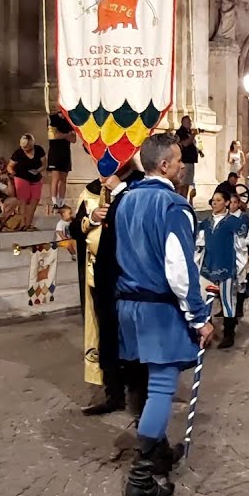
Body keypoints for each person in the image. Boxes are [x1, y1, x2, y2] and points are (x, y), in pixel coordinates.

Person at [112, 133, 214, 496]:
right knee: (160, 387)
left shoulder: (124, 200)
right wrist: (199, 317)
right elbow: (178, 268)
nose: (183, 165)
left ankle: (157, 452)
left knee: (141, 380)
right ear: (165, 165)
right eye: (178, 160)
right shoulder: (172, 205)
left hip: (128, 305)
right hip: (158, 307)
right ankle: (141, 476)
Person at [70, 163, 149, 418]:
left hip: (128, 277)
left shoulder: (138, 186)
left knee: (132, 337)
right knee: (106, 335)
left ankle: (141, 398)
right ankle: (113, 393)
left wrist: (120, 192)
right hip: (99, 278)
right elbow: (74, 229)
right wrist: (91, 219)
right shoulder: (91, 192)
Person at [196, 191, 249, 349]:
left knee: (227, 301)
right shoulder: (206, 223)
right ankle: (206, 332)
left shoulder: (233, 222)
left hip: (226, 266)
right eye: (213, 200)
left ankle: (228, 335)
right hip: (207, 267)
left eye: (218, 200)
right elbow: (200, 243)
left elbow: (240, 246)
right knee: (203, 299)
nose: (214, 203)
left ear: (226, 203)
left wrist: (240, 268)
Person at [7, 134, 46, 230]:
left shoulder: (39, 150)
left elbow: (44, 164)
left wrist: (38, 170)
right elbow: (10, 166)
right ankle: (22, 223)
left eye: (27, 147)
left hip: (35, 177)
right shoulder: (18, 153)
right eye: (23, 147)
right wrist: (12, 173)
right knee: (23, 200)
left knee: (34, 201)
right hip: (21, 177)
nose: (25, 149)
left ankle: (28, 224)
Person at [46, 110, 75, 211]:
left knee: (63, 178)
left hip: (65, 152)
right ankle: (54, 202)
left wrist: (63, 135)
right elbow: (53, 136)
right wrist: (67, 135)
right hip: (55, 152)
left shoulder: (70, 119)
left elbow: (74, 139)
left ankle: (61, 202)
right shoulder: (52, 118)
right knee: (56, 177)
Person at [174, 115, 200, 205]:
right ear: (183, 122)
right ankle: (180, 201)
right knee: (182, 184)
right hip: (184, 161)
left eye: (190, 122)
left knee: (187, 184)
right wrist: (193, 135)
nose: (190, 123)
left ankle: (184, 201)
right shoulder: (181, 132)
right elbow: (185, 144)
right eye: (188, 122)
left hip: (190, 161)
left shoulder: (189, 132)